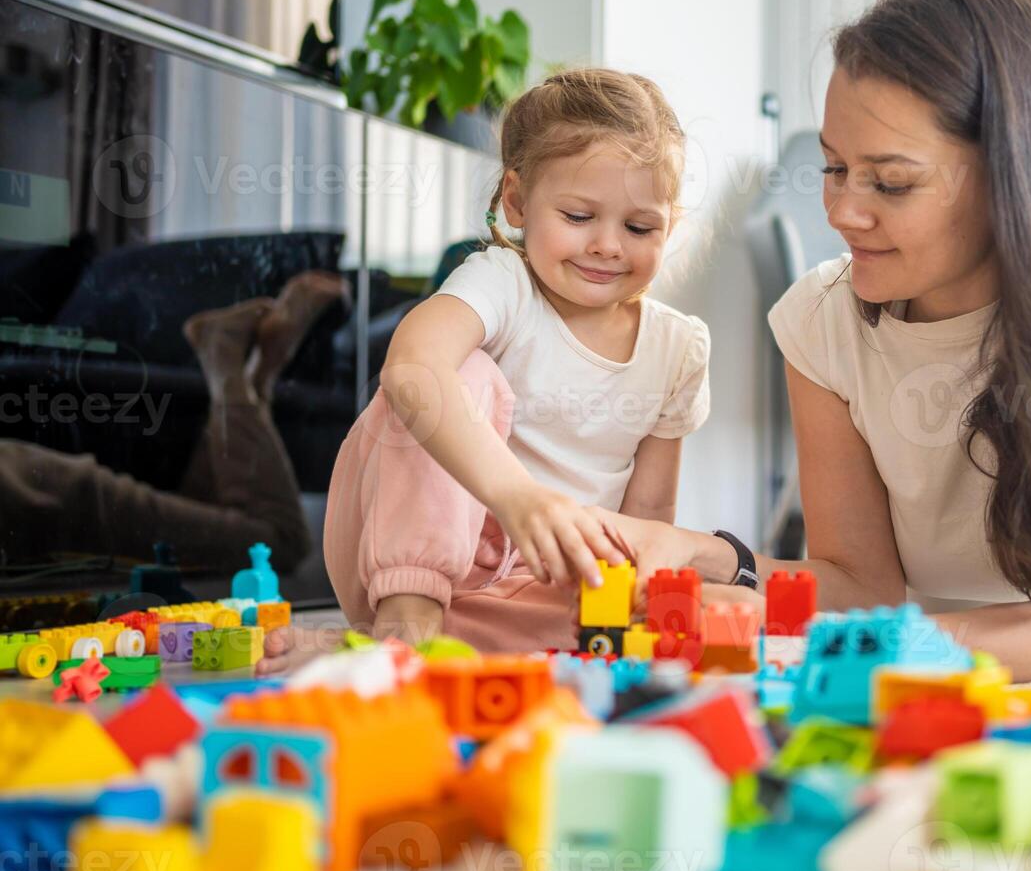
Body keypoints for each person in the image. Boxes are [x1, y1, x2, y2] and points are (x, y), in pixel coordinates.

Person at [587, 0, 1031, 682]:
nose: (843, 212)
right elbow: (859, 586)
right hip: (915, 644)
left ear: (1010, 172)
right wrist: (705, 556)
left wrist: (837, 640)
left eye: (891, 182)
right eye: (833, 167)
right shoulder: (819, 321)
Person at [257, 68, 710, 672]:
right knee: (458, 372)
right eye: (578, 217)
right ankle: (405, 619)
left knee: (692, 609)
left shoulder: (678, 349)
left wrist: (624, 598)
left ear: (670, 226)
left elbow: (647, 525)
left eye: (638, 227)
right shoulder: (503, 281)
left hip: (526, 589)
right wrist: (520, 499)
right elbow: (411, 368)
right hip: (408, 555)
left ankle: (385, 648)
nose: (608, 245)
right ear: (518, 201)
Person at [0, 270, 343, 579]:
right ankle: (249, 374)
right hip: (32, 486)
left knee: (275, 541)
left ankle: (235, 369)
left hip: (34, 493)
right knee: (234, 526)